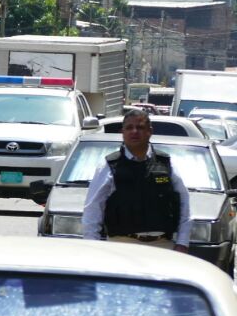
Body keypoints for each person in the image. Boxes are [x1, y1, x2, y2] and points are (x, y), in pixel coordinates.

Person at [80, 108, 191, 253]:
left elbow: (185, 204)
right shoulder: (109, 166)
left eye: (140, 127)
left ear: (150, 131)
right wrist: (92, 248)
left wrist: (183, 242)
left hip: (162, 246)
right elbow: (93, 210)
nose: (134, 132)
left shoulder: (166, 164)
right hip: (120, 246)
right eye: (129, 128)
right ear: (122, 132)